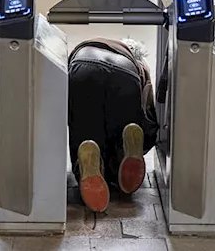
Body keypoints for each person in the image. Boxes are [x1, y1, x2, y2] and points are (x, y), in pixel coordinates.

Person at [67, 38, 159, 213]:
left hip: (83, 65)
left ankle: (88, 162)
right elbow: (148, 111)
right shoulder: (139, 63)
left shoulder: (88, 45)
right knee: (119, 131)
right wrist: (147, 140)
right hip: (126, 73)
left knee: (85, 131)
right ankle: (122, 153)